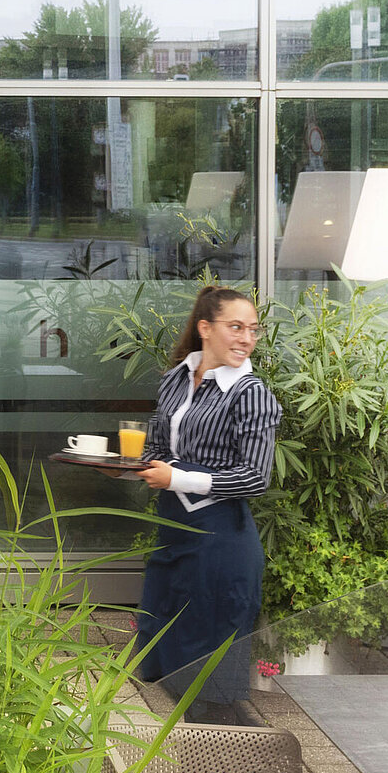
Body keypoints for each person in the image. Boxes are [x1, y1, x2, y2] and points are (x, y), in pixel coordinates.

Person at [128, 285, 283, 723]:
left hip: (221, 544)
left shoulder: (250, 393)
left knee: (212, 680)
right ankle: (213, 770)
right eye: (235, 327)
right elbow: (157, 447)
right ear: (205, 328)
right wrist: (122, 466)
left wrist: (176, 477)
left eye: (252, 330)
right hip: (174, 537)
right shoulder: (176, 378)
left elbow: (255, 476)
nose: (246, 338)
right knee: (172, 665)